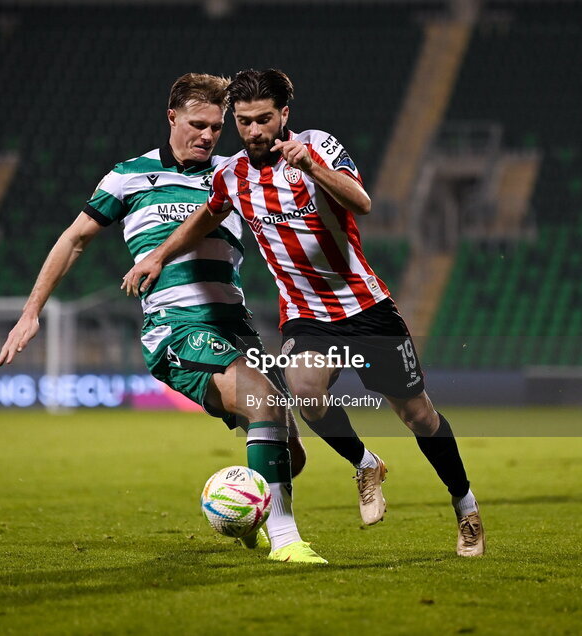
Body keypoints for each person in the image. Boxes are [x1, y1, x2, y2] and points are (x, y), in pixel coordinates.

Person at [123, 69, 484, 557]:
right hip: (305, 314)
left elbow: (363, 202)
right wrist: (159, 254)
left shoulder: (319, 146)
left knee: (418, 414)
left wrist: (313, 167)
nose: (254, 132)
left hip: (365, 306)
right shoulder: (232, 174)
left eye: (264, 120)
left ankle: (465, 508)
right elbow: (206, 215)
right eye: (244, 122)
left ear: (284, 115)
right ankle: (365, 463)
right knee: (305, 392)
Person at [0, 73, 326, 564]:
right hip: (177, 329)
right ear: (171, 117)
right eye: (197, 124)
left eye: (217, 127)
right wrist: (31, 312)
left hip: (237, 326)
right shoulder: (129, 176)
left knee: (290, 453)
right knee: (263, 401)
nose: (208, 136)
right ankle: (284, 541)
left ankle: (241, 511)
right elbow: (74, 239)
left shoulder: (234, 173)